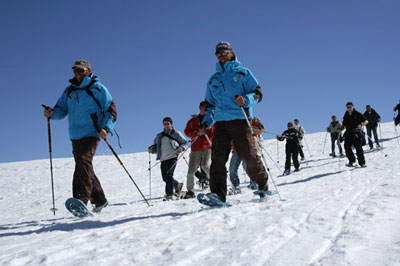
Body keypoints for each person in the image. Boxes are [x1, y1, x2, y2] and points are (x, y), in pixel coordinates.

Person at [43, 60, 117, 213]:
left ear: (88, 71)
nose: (77, 73)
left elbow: (111, 111)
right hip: (75, 135)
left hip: (93, 132)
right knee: (84, 164)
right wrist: (51, 114)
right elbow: (61, 110)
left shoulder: (98, 89)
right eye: (75, 70)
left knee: (83, 161)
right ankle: (100, 199)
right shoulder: (69, 91)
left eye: (80, 70)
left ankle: (80, 199)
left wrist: (105, 128)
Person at [201, 41, 269, 202]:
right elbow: (210, 105)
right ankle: (218, 194)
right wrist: (205, 123)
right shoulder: (213, 80)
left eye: (224, 53)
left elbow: (257, 93)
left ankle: (262, 183)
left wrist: (245, 100)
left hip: (240, 120)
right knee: (217, 158)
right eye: (218, 54)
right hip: (221, 124)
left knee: (248, 155)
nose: (221, 56)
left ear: (231, 53)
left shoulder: (243, 73)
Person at [148, 117, 187, 201]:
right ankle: (177, 185)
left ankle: (169, 194)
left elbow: (185, 143)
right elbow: (155, 146)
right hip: (163, 158)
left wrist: (181, 148)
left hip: (172, 157)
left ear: (171, 124)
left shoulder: (176, 133)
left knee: (169, 175)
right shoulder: (159, 136)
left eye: (168, 124)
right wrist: (151, 149)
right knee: (165, 178)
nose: (166, 125)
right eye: (165, 124)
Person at [182, 101, 214, 199]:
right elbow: (187, 132)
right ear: (200, 108)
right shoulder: (192, 121)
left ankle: (215, 188)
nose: (204, 109)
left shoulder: (211, 119)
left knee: (205, 166)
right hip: (195, 148)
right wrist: (197, 133)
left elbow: (214, 132)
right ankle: (190, 191)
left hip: (207, 147)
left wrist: (207, 130)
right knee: (191, 170)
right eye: (203, 107)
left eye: (207, 108)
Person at [229, 117, 264, 193]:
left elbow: (260, 130)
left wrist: (249, 128)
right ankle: (236, 187)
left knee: (247, 166)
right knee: (232, 169)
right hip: (236, 149)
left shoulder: (253, 119)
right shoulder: (233, 119)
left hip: (249, 148)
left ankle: (254, 182)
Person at [341, 102, 368, 167]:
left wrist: (361, 125)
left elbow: (366, 120)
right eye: (348, 107)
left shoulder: (357, 113)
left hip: (356, 132)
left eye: (350, 107)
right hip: (348, 133)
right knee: (346, 147)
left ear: (353, 107)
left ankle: (362, 163)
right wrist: (340, 129)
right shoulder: (346, 115)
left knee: (358, 148)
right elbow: (344, 124)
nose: (349, 108)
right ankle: (352, 160)